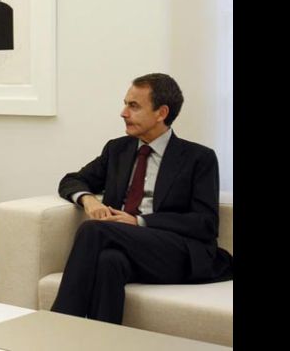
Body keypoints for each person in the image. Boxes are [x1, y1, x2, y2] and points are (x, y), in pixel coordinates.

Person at [50, 73, 232, 324]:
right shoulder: (118, 149)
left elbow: (204, 223)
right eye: (125, 104)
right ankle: (103, 341)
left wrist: (140, 222)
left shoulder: (198, 158)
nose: (123, 113)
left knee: (95, 231)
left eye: (133, 106)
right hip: (128, 246)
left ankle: (57, 326)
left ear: (161, 112)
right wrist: (89, 201)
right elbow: (71, 180)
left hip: (177, 251)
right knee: (109, 261)